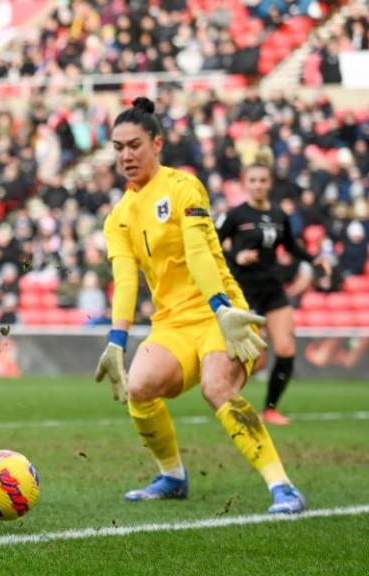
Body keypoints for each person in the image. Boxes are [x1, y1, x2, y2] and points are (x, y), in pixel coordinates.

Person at [93, 97, 306, 515]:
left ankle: (283, 487)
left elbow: (198, 252)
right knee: (138, 387)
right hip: (171, 324)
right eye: (118, 147)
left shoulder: (184, 187)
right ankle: (172, 476)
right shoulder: (117, 216)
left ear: (157, 143)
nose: (125, 155)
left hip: (219, 313)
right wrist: (116, 340)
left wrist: (222, 308)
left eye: (134, 145)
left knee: (217, 387)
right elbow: (124, 280)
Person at [216, 156, 332, 425]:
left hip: (273, 289)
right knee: (251, 359)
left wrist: (314, 259)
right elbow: (214, 245)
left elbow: (291, 246)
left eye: (263, 180)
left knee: (286, 348)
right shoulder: (235, 215)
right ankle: (227, 401)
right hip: (244, 293)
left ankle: (269, 409)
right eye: (253, 180)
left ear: (270, 184)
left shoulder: (280, 216)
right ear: (246, 184)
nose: (258, 185)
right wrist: (237, 257)